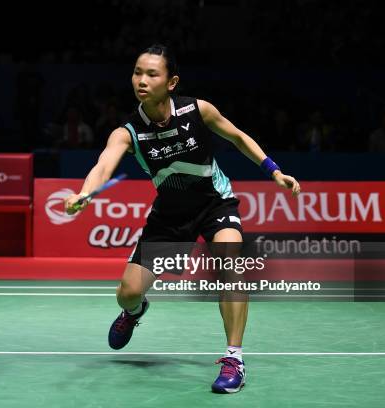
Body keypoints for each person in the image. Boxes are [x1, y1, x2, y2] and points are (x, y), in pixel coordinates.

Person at [63, 44, 301, 394]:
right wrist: (83, 193)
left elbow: (237, 136)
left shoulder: (197, 110)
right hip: (170, 217)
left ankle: (234, 358)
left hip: (214, 204)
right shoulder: (127, 132)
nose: (141, 80)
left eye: (151, 74)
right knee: (127, 293)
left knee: (232, 268)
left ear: (171, 81)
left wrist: (273, 171)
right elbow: (103, 165)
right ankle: (135, 312)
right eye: (137, 72)